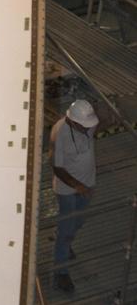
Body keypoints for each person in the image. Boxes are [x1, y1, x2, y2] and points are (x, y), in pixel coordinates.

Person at [50, 98, 98, 293]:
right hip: (68, 190)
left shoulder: (87, 125)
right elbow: (57, 167)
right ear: (72, 121)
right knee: (67, 230)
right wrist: (77, 186)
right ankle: (61, 273)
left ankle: (64, 239)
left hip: (88, 184)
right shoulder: (59, 133)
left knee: (78, 222)